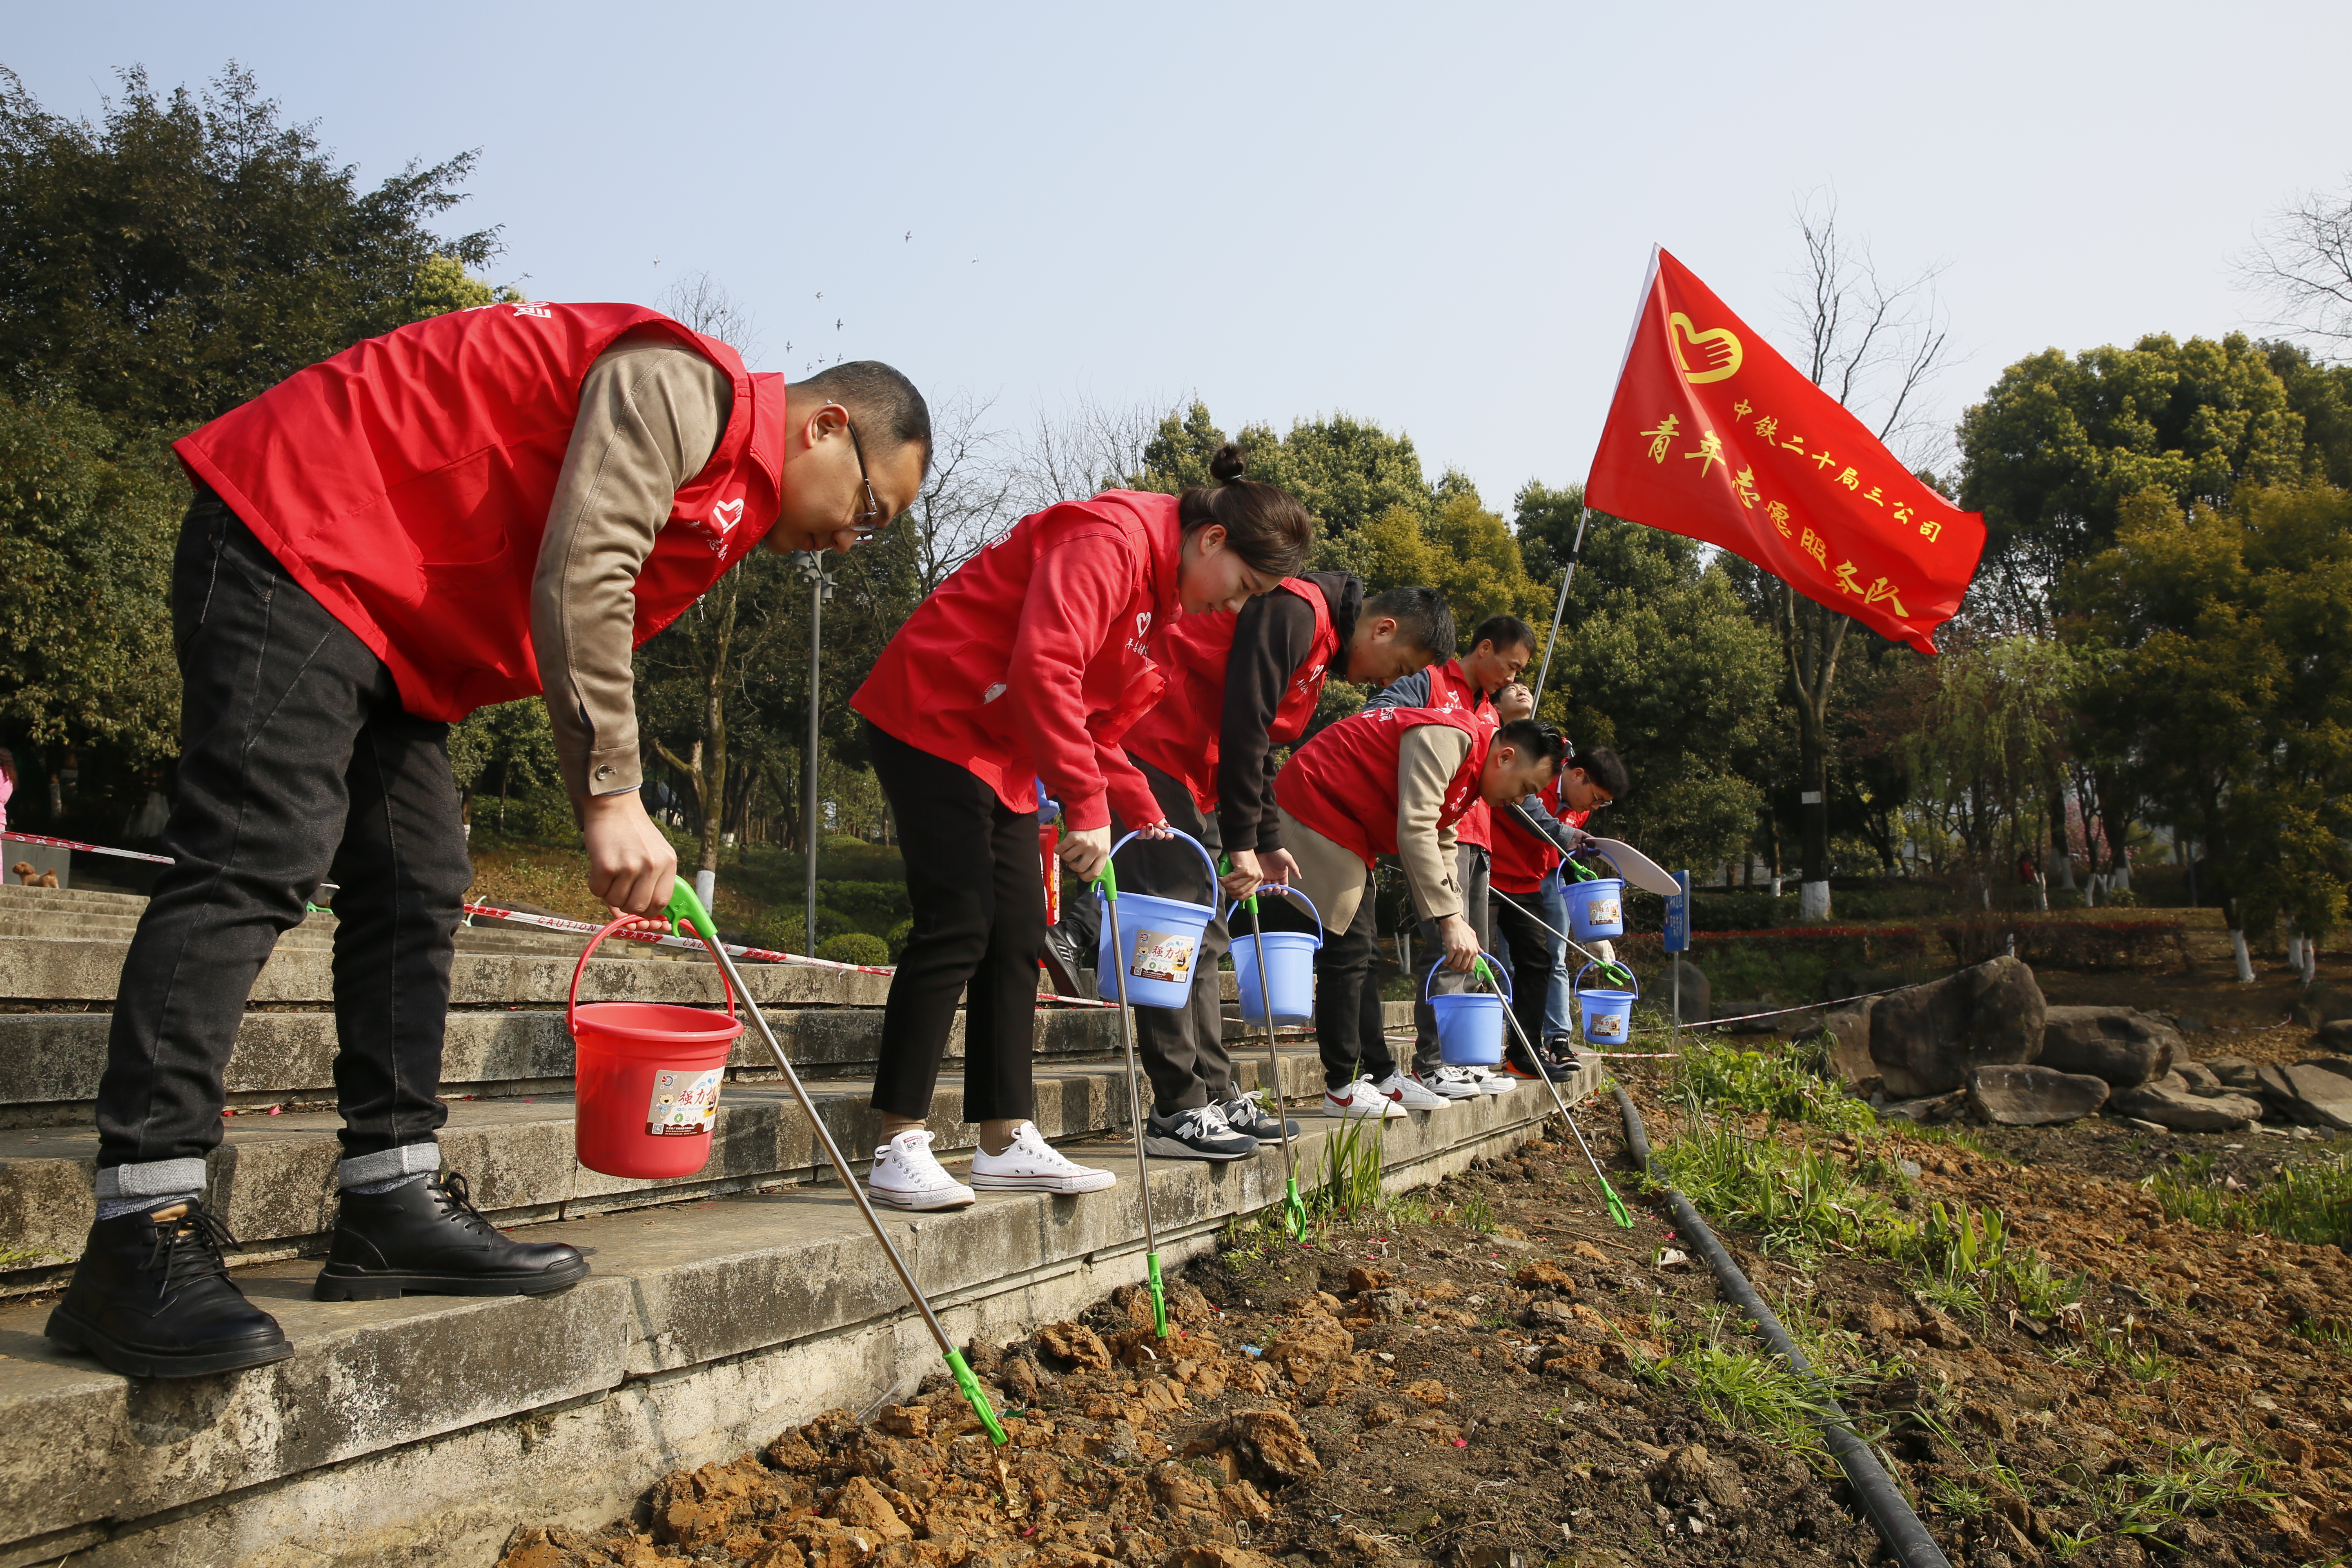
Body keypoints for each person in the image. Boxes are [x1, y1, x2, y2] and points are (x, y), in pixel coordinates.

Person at [48, 301, 927, 1380]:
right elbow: (584, 569)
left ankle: (388, 1198)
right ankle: (141, 1228)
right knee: (254, 854)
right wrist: (612, 794)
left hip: (387, 618)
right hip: (304, 534)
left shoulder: (724, 504)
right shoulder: (683, 387)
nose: (853, 539)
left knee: (419, 878)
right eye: (872, 511)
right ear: (826, 426)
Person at [851, 444, 1314, 1209]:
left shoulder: (1160, 594)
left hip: (998, 744)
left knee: (1020, 932)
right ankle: (897, 1140)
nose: (1232, 609)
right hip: (933, 714)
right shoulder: (1112, 540)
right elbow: (1044, 669)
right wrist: (1087, 807)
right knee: (961, 919)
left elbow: (1097, 723)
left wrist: (1142, 812)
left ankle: (1004, 1139)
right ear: (1211, 542)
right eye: (1242, 588)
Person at [1113, 580, 1453, 1158]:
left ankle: (1213, 1091)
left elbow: (1263, 745)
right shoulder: (1299, 612)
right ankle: (1175, 1106)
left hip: (1198, 768)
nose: (1387, 685)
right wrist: (1244, 842)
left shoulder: (1318, 648)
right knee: (1168, 928)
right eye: (1396, 669)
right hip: (1152, 746)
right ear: (1384, 628)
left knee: (1209, 934)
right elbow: (1246, 725)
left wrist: (1266, 841)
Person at [1270, 708, 1566, 1117]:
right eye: (1525, 787)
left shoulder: (1471, 771)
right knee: (1349, 952)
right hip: (1317, 808)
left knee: (1366, 954)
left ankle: (1380, 1075)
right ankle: (1341, 1086)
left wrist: (1456, 917)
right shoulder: (1450, 739)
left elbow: (1444, 837)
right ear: (1506, 757)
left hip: (1351, 828)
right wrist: (1449, 921)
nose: (1518, 800)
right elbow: (1417, 828)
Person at [1359, 614, 1538, 1105]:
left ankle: (1462, 1059)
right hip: (1436, 833)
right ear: (1484, 649)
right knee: (1448, 948)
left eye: (1521, 672)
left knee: (1474, 953)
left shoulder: (1491, 709)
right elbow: (1376, 717)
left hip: (1477, 835)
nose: (1513, 678)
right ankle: (1433, 1062)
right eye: (1511, 665)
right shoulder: (1431, 682)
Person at [1488, 746, 1629, 1078]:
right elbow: (1534, 821)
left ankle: (1545, 1046)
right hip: (1497, 872)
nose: (1594, 807)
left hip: (1540, 879)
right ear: (1577, 774)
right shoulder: (1538, 775)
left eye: (1602, 803)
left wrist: (1585, 915)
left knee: (1548, 959)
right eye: (1596, 798)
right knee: (1499, 962)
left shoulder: (1581, 806)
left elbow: (1568, 858)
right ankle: (1496, 1047)